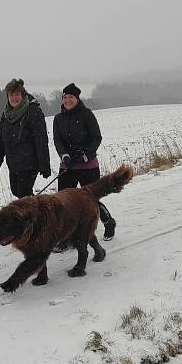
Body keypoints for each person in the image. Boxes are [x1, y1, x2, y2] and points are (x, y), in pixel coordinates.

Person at [52, 83, 116, 244]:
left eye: (71, 97)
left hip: (88, 166)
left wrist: (86, 155)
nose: (68, 100)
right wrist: (64, 155)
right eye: (65, 97)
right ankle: (66, 238)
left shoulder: (87, 114)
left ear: (77, 99)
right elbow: (57, 140)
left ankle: (108, 222)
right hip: (67, 167)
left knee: (91, 200)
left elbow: (96, 137)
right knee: (64, 203)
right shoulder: (58, 118)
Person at [0, 79, 51, 198]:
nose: (14, 98)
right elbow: (0, 138)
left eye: (17, 95)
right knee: (16, 191)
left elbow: (41, 139)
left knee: (23, 193)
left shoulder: (33, 111)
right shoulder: (6, 114)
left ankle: (33, 214)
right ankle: (37, 209)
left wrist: (44, 164)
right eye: (11, 95)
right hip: (13, 162)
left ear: (23, 95)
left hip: (29, 162)